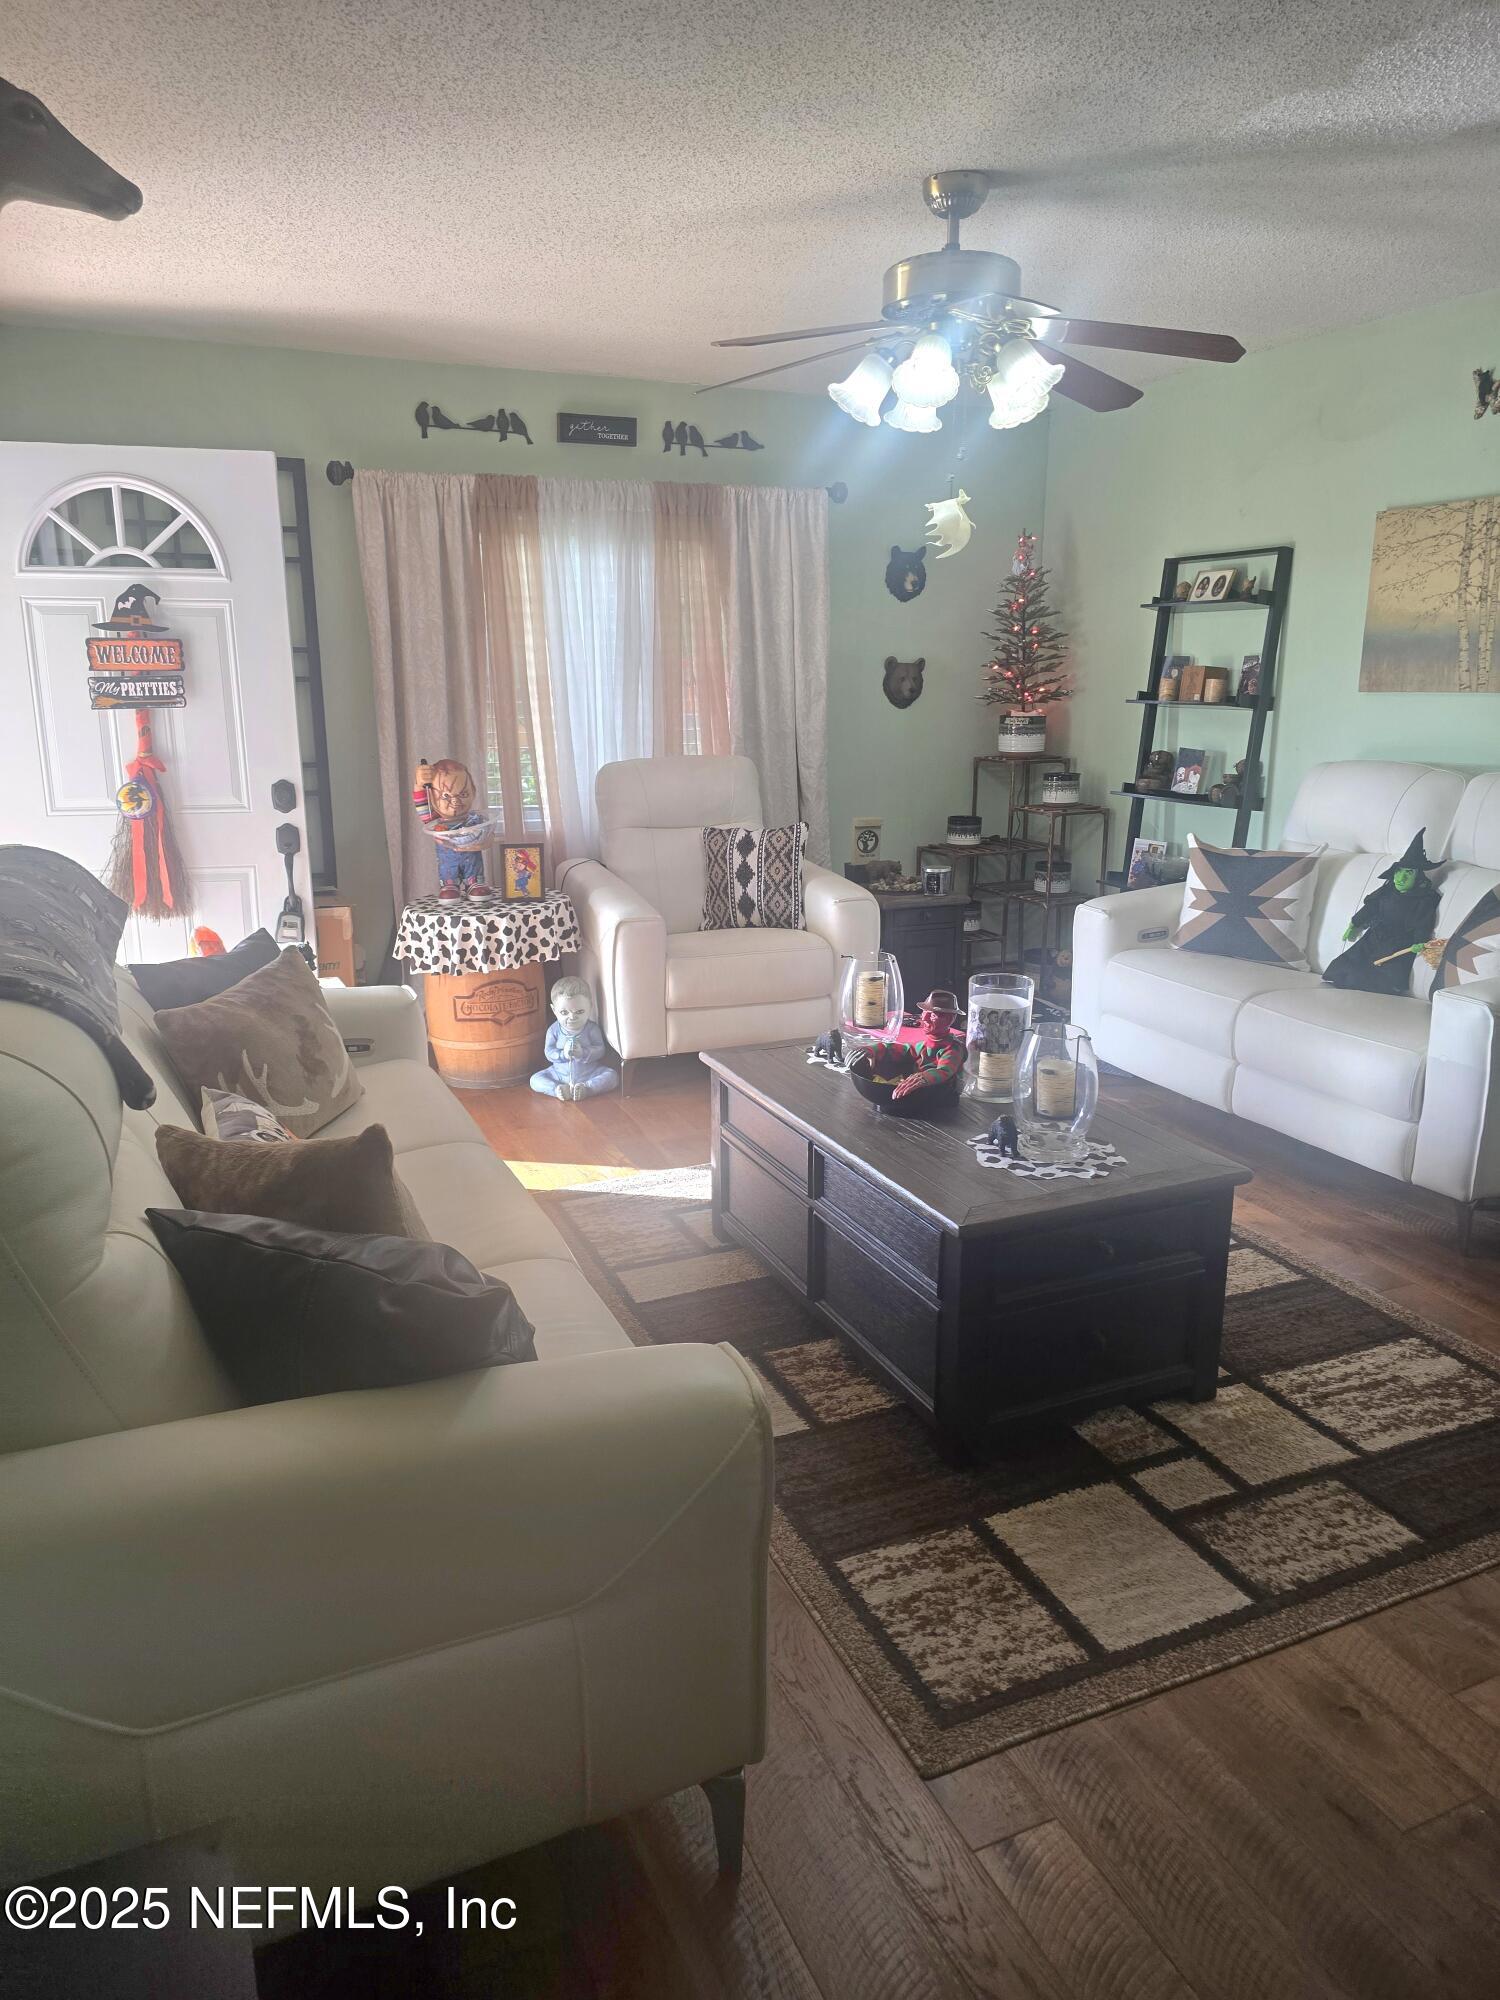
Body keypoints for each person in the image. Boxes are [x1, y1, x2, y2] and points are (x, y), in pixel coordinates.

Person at [530, 977, 618, 1100]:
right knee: (534, 1080)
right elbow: (548, 1052)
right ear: (554, 1010)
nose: (572, 1017)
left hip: (589, 1073)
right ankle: (557, 1089)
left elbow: (600, 1049)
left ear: (590, 1007)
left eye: (580, 1011)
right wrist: (562, 1055)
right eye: (564, 1013)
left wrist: (583, 1053)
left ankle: (586, 1089)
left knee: (612, 1076)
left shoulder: (592, 1029)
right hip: (558, 1074)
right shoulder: (553, 1030)